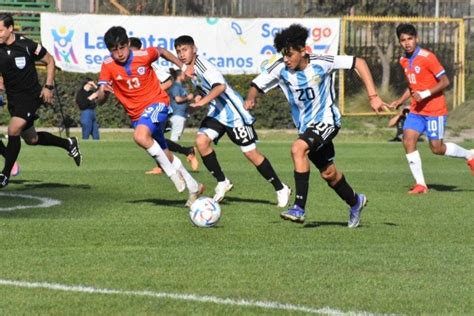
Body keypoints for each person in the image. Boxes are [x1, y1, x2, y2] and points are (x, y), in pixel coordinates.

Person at [245, 24, 388, 227]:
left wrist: (373, 96)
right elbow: (256, 85)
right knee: (329, 174)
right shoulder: (280, 68)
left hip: (327, 121)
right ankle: (356, 201)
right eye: (283, 55)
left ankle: (299, 208)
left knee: (297, 148)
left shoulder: (322, 62)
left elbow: (359, 62)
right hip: (306, 128)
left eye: (289, 54)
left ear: (303, 50)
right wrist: (251, 99)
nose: (285, 59)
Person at [174, 35, 291, 206]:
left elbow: (220, 86)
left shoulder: (203, 65)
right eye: (178, 51)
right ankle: (222, 182)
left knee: (251, 153)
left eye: (185, 49)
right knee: (201, 141)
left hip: (234, 113)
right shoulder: (190, 69)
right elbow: (202, 88)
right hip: (217, 112)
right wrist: (196, 99)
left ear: (194, 49)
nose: (182, 54)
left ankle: (281, 188)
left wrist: (200, 105)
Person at [96, 26, 203, 207]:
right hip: (137, 115)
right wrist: (102, 92)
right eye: (114, 50)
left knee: (140, 136)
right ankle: (194, 186)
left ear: (128, 43)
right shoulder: (107, 65)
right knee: (165, 154)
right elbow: (100, 99)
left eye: (122, 47)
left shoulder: (142, 55)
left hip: (157, 103)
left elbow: (161, 51)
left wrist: (184, 66)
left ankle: (171, 174)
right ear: (109, 50)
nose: (120, 53)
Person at [389, 23, 474, 194]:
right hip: (416, 110)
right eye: (403, 40)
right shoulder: (403, 60)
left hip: (435, 110)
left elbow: (445, 82)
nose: (407, 43)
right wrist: (400, 100)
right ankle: (421, 184)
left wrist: (426, 93)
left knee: (437, 148)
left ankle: (470, 155)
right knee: (408, 139)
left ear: (416, 39)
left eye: (410, 39)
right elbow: (412, 86)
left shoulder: (428, 57)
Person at [0, 13, 81, 188]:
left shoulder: (27, 45)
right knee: (32, 139)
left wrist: (48, 87)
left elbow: (50, 61)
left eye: (0, 30)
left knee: (13, 129)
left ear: (10, 29)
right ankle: (68, 143)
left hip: (30, 97)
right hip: (14, 99)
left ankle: (5, 174)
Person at [129, 37, 199, 174]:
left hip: (157, 105)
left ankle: (168, 164)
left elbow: (169, 81)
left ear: (137, 49)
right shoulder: (130, 65)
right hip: (146, 106)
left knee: (149, 137)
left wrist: (153, 93)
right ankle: (185, 152)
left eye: (129, 50)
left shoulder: (147, 63)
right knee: (153, 137)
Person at [167, 68, 194, 142]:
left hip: (181, 114)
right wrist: (188, 97)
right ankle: (170, 152)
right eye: (184, 74)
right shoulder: (176, 86)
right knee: (175, 138)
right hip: (177, 115)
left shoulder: (180, 86)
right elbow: (178, 99)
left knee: (177, 137)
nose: (185, 76)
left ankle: (172, 152)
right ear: (179, 76)